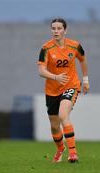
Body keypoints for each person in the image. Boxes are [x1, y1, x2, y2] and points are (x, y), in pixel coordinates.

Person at [37, 18, 89, 163]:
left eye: (59, 28)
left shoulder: (75, 46)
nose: (56, 31)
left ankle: (73, 154)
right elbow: (41, 70)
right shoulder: (46, 48)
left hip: (70, 85)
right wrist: (55, 77)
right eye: (53, 28)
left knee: (63, 115)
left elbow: (83, 59)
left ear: (65, 30)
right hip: (52, 90)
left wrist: (85, 80)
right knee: (54, 126)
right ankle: (60, 148)